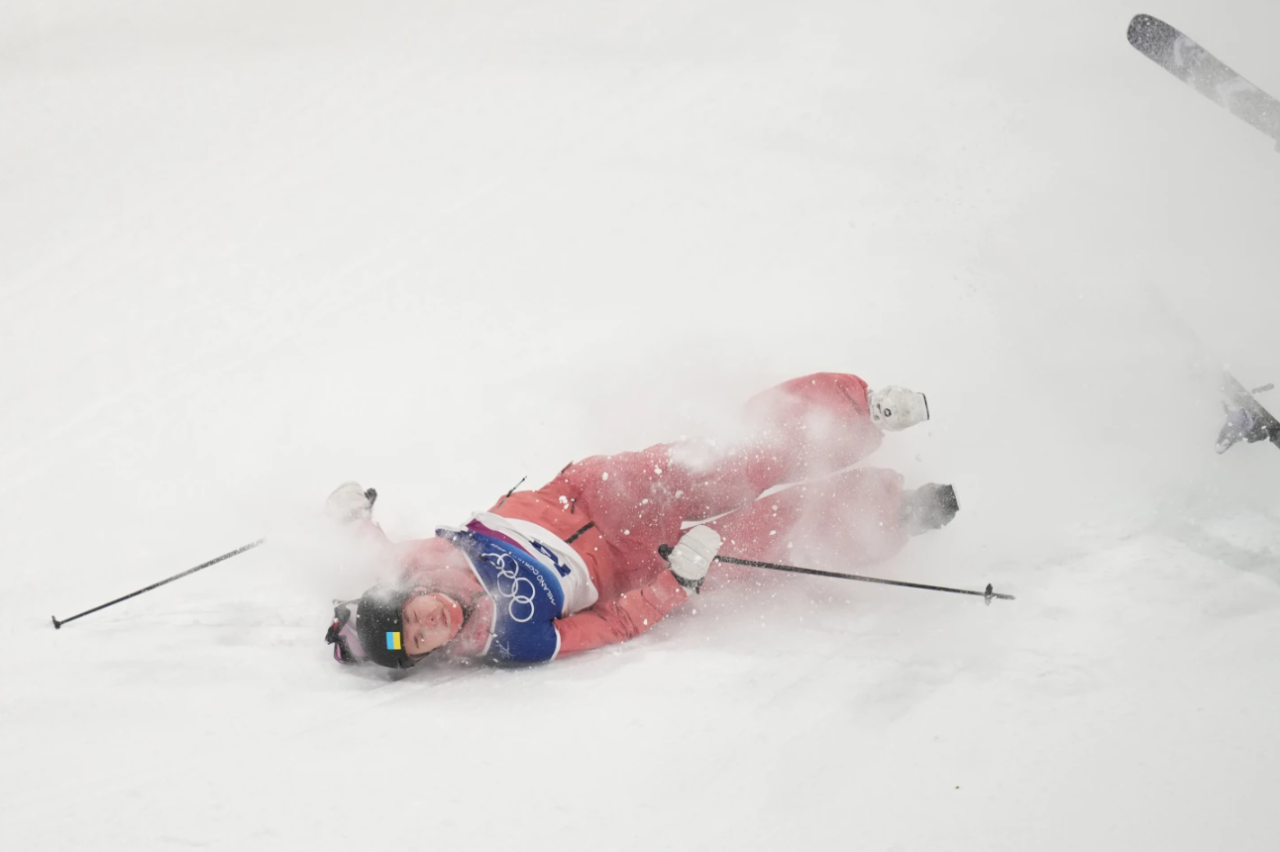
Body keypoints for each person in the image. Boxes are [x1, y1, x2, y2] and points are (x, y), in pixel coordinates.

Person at [324, 372, 958, 668]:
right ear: (431, 655)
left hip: (594, 492)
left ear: (407, 596)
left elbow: (366, 552)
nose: (428, 622)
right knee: (749, 545)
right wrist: (673, 585)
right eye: (422, 640)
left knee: (725, 463)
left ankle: (856, 412)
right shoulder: (515, 641)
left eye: (413, 615)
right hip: (629, 565)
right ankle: (891, 515)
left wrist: (350, 514)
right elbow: (614, 622)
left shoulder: (410, 567)